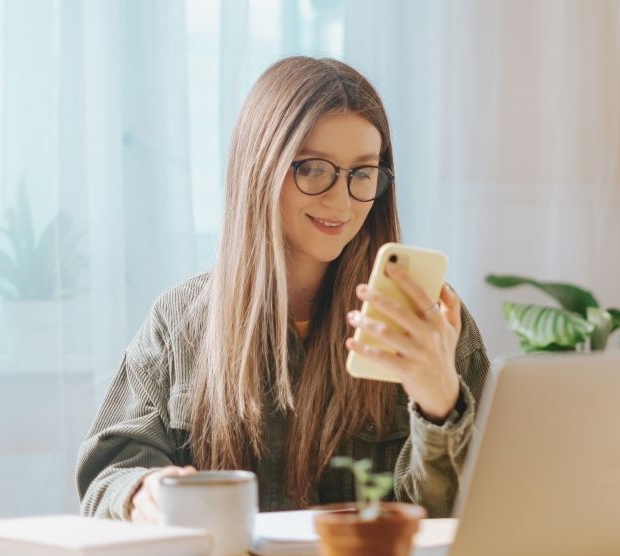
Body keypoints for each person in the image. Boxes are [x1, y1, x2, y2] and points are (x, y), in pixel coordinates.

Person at [76, 57, 489, 522]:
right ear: (261, 167)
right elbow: (109, 471)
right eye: (313, 169)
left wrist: (439, 406)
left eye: (362, 172)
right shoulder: (181, 319)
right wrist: (142, 491)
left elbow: (466, 517)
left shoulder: (428, 323)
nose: (340, 200)